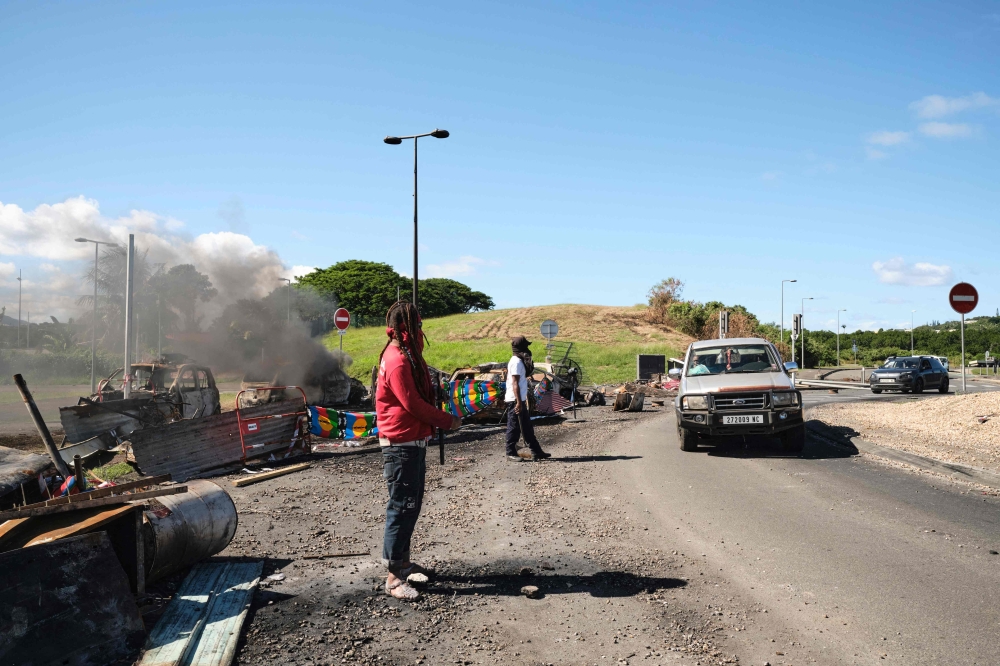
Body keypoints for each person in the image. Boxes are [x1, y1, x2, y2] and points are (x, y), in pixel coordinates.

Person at [375, 302, 462, 600]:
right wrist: (446, 420)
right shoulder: (398, 360)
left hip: (409, 442)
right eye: (418, 326)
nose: (422, 331)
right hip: (401, 444)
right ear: (407, 329)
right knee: (401, 507)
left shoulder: (402, 355)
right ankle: (393, 578)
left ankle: (403, 562)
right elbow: (411, 403)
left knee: (409, 505)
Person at [505, 336, 551, 462]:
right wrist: (519, 402)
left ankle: (536, 451)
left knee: (527, 427)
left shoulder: (519, 361)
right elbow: (514, 383)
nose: (527, 349)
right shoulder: (516, 362)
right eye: (526, 346)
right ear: (520, 348)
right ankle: (510, 453)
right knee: (513, 427)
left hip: (519, 399)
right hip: (514, 400)